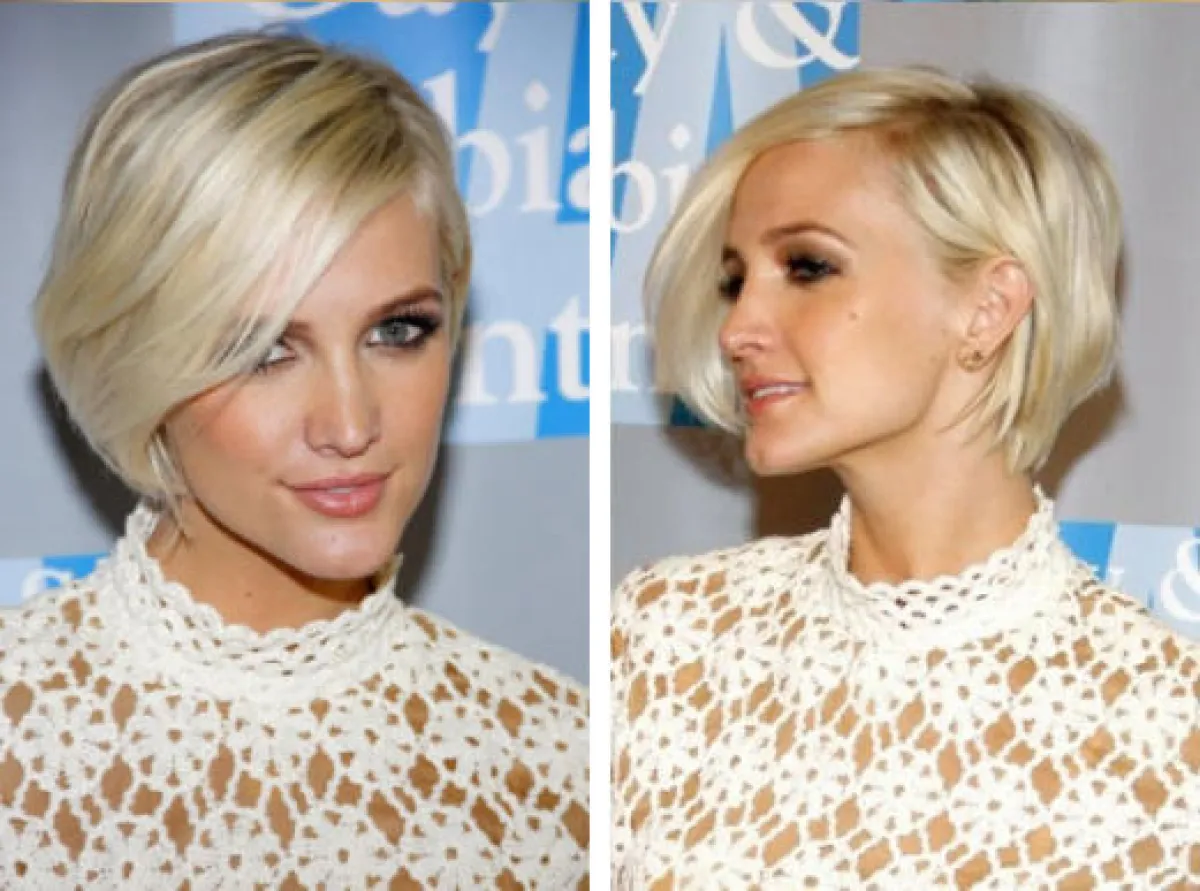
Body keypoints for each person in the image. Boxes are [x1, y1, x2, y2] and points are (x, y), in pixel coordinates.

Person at [0, 32, 588, 888]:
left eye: (397, 331)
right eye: (265, 348)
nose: (350, 424)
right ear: (136, 356)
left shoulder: (565, 769)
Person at [612, 66, 1199, 888]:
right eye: (735, 280)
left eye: (808, 266)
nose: (738, 326)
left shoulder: (1169, 732)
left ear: (989, 307)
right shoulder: (664, 639)